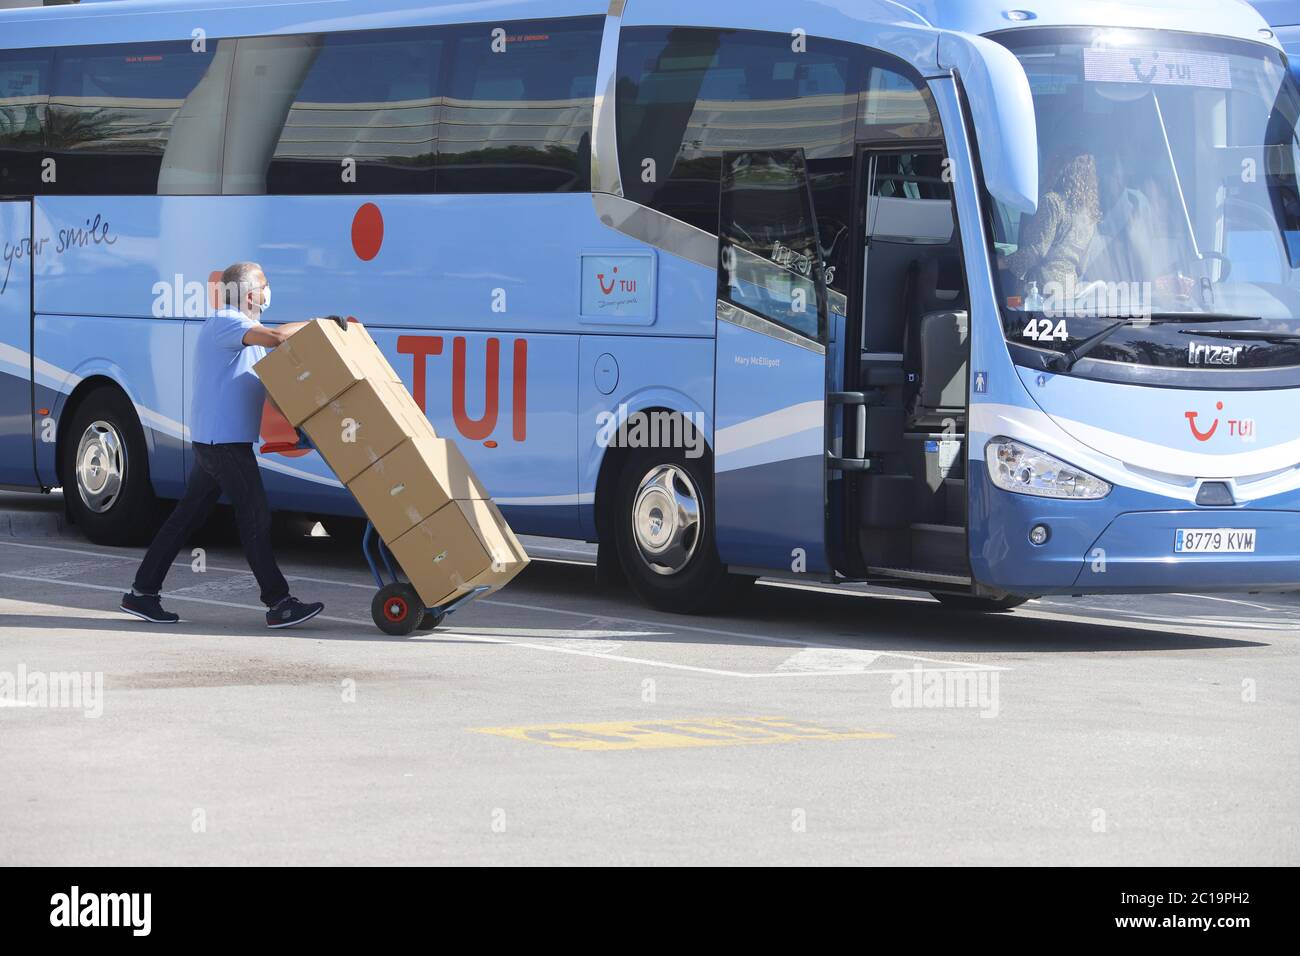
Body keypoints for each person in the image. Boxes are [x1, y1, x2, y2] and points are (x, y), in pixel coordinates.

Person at [119, 262, 328, 627]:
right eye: (265, 285)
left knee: (186, 518)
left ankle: (142, 593)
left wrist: (300, 426)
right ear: (250, 295)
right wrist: (320, 325)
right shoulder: (227, 322)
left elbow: (269, 391)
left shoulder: (247, 333)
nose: (268, 292)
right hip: (223, 445)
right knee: (255, 518)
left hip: (219, 442)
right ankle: (279, 602)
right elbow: (280, 338)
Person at [1001, 150, 1102, 301]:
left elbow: (1036, 251)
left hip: (1041, 293)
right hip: (1069, 295)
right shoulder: (1088, 214)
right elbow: (1081, 266)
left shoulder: (1052, 202)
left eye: (1053, 163)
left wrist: (999, 263)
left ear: (1061, 169)